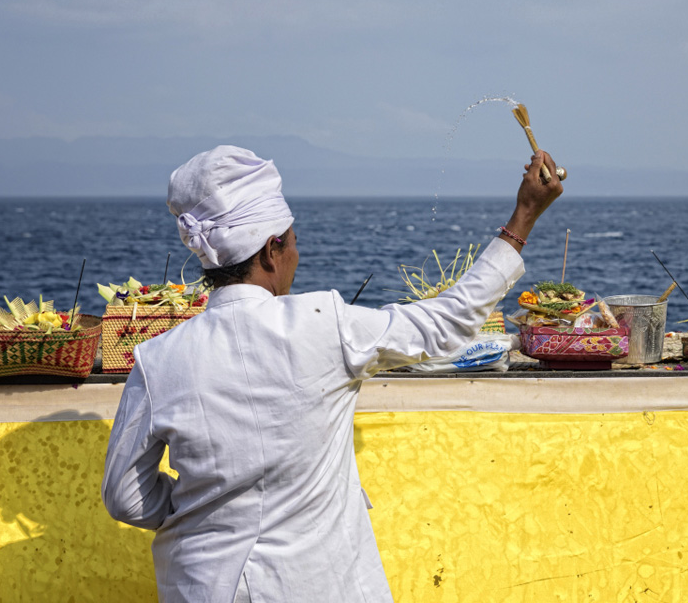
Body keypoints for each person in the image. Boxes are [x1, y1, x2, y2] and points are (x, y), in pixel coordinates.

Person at [102, 145, 562, 603]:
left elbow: (125, 495)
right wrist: (523, 217)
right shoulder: (325, 324)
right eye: (293, 240)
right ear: (271, 250)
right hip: (314, 583)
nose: (297, 254)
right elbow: (448, 322)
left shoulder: (157, 359)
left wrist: (200, 508)